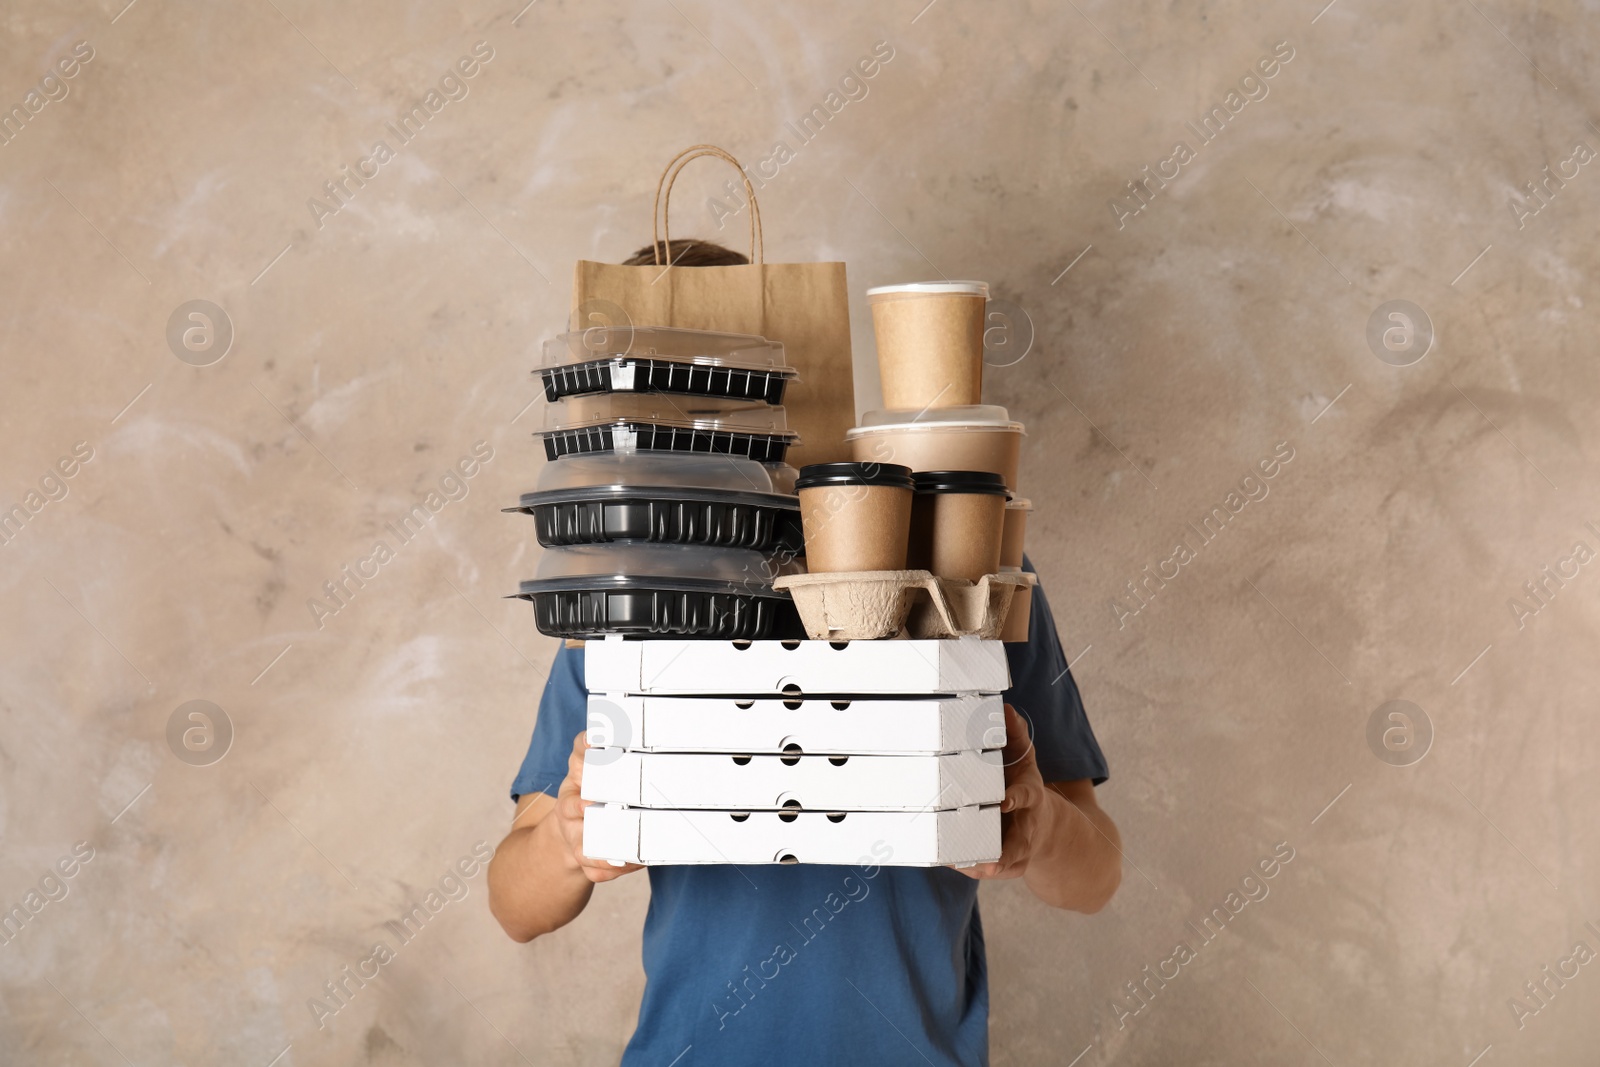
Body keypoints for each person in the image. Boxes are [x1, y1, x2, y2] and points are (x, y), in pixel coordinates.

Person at [487, 239, 1122, 1067]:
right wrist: (568, 842)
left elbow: (1097, 871)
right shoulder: (625, 593)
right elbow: (515, 904)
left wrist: (1036, 828)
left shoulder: (965, 564)